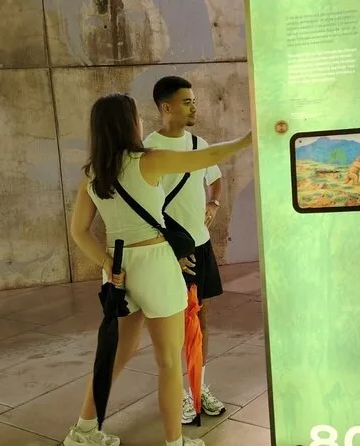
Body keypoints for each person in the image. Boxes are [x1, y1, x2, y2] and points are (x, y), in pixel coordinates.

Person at [65, 92, 251, 446]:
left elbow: (79, 231)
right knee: (168, 361)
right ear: (128, 123)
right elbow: (206, 157)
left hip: (117, 268)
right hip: (155, 264)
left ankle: (83, 431)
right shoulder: (147, 161)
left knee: (114, 355)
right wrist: (245, 140)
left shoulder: (93, 173)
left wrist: (106, 262)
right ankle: (174, 442)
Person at [143, 76, 226, 424]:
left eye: (194, 101)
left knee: (201, 319)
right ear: (166, 107)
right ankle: (179, 393)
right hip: (169, 250)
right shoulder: (148, 150)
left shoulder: (197, 144)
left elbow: (215, 178)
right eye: (187, 102)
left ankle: (198, 386)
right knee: (173, 326)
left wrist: (214, 203)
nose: (194, 107)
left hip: (200, 246)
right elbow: (142, 206)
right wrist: (167, 249)